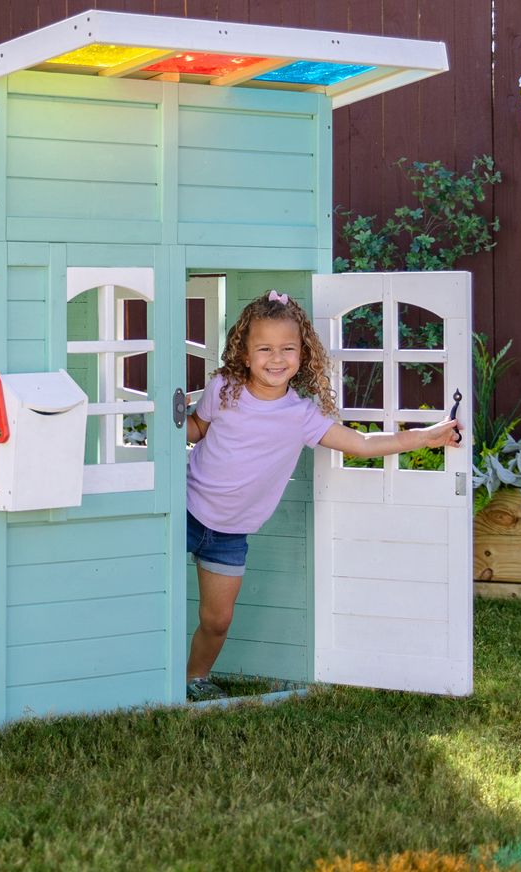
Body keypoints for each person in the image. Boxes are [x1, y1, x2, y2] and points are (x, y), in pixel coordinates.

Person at [184, 290, 461, 701]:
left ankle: (194, 679)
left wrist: (426, 435)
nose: (276, 359)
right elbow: (196, 429)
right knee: (155, 595)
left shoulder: (301, 415)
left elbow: (363, 443)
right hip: (184, 510)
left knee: (218, 619)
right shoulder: (224, 388)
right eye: (264, 348)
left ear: (303, 354)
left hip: (230, 534)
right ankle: (146, 673)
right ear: (244, 354)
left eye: (287, 349)